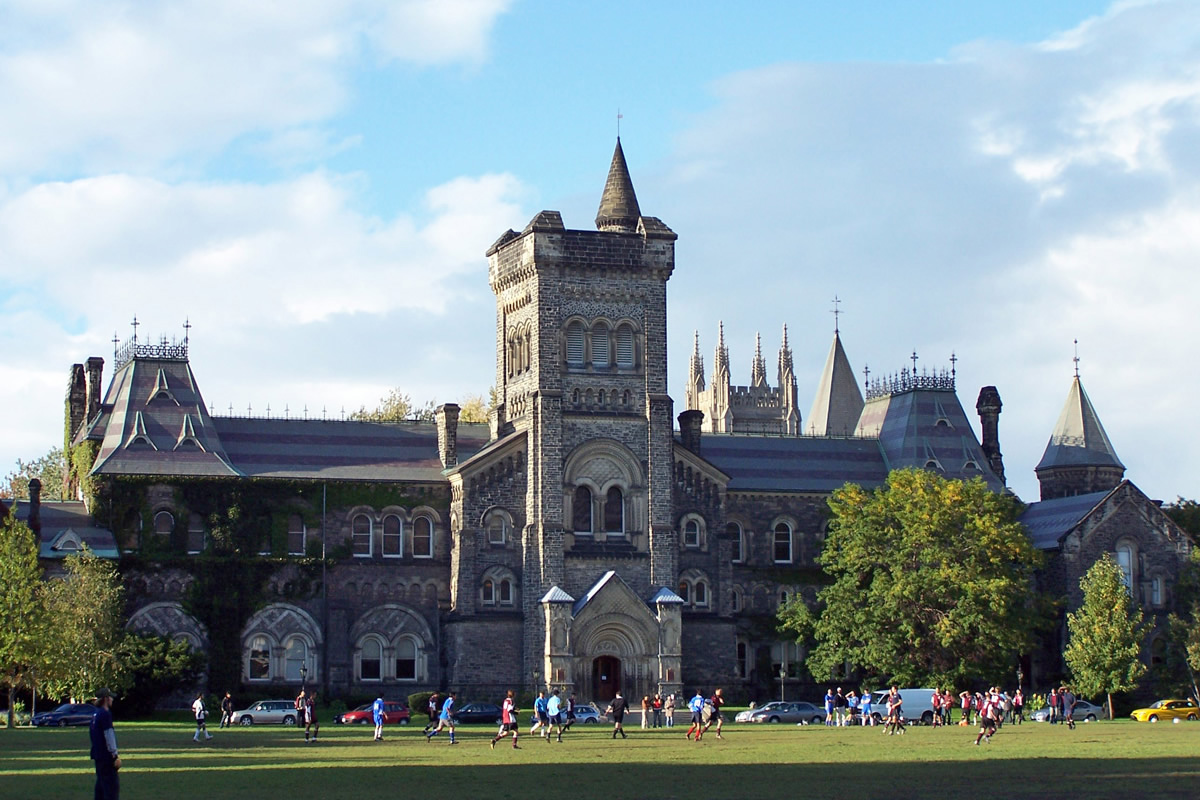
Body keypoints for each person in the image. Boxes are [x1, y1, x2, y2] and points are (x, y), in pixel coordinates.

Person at [89, 688, 121, 800]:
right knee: (111, 789)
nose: (112, 699)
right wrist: (114, 754)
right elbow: (109, 735)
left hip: (98, 755)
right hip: (107, 757)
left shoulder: (95, 714)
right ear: (106, 699)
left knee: (101, 788)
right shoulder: (105, 714)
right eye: (110, 697)